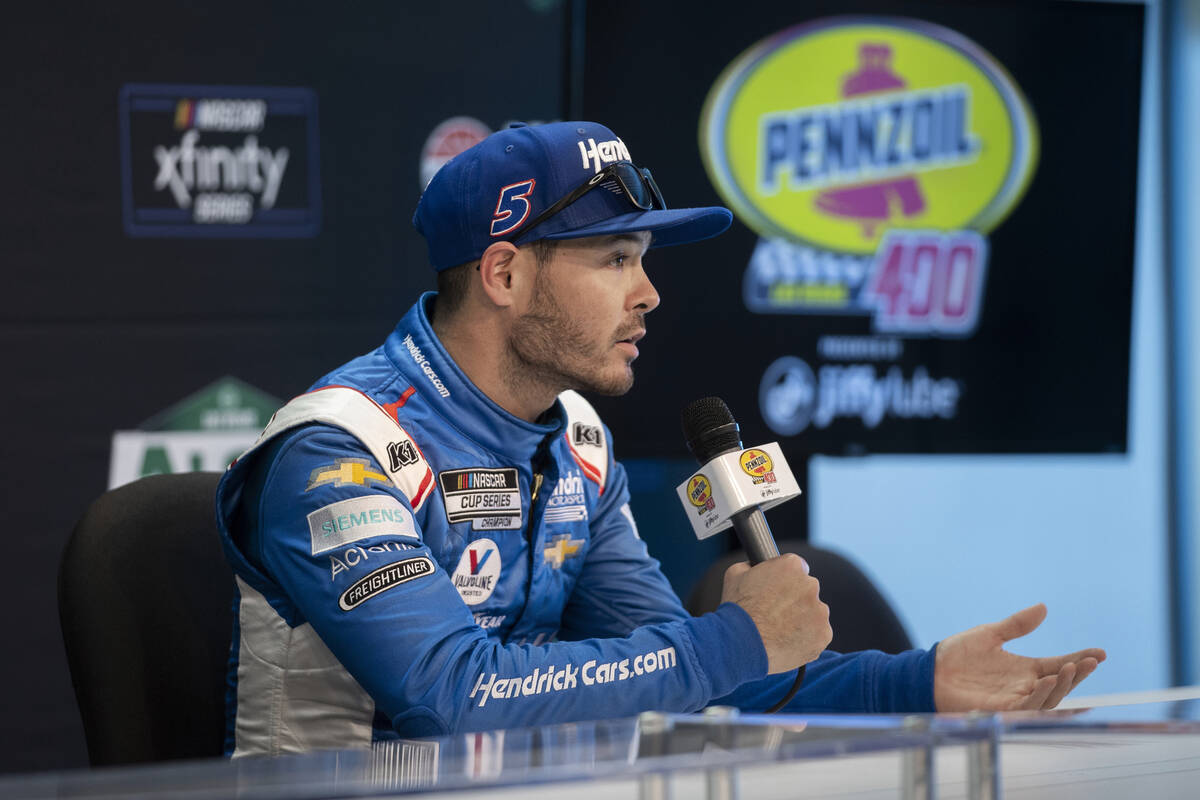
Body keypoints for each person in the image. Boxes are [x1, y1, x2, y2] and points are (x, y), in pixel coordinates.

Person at [215, 121, 1104, 758]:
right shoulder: (336, 452)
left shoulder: (578, 446)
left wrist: (919, 683)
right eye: (614, 261)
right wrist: (737, 639)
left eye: (644, 259)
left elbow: (688, 676)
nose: (649, 294)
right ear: (504, 273)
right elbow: (457, 700)